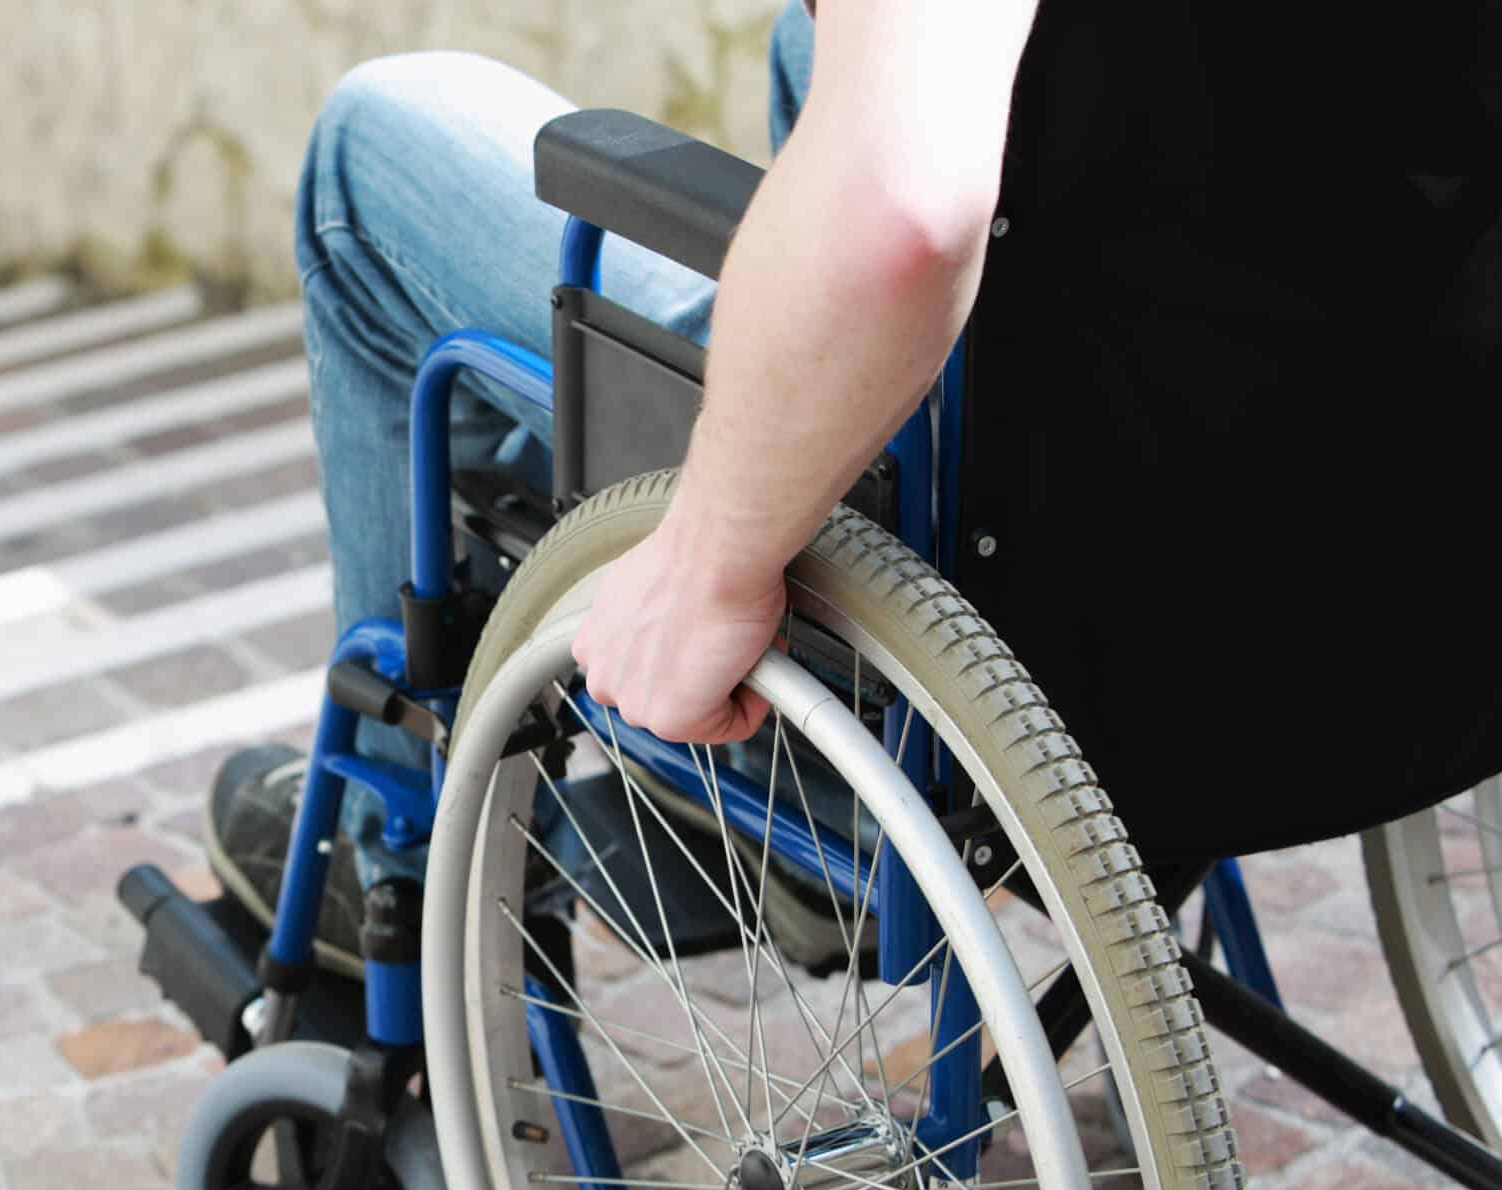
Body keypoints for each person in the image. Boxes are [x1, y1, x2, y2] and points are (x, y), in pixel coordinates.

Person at [207, 0, 1502, 972]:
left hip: (1082, 639)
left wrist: (711, 562)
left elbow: (903, 213)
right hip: (1420, 602)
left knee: (376, 144)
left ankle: (403, 872)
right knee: (818, 47)